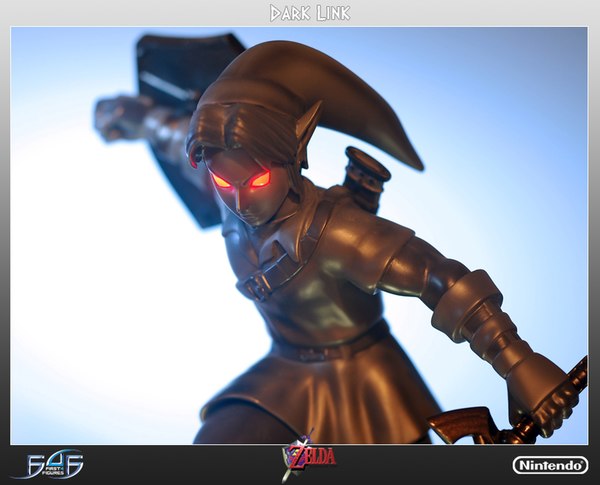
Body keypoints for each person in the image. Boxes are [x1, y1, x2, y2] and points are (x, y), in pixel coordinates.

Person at [95, 39, 578, 444]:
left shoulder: (338, 232)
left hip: (367, 383)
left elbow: (440, 279)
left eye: (257, 180)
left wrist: (519, 363)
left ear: (296, 149)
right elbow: (171, 136)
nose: (240, 199)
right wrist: (135, 116)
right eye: (225, 182)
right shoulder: (224, 181)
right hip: (286, 371)